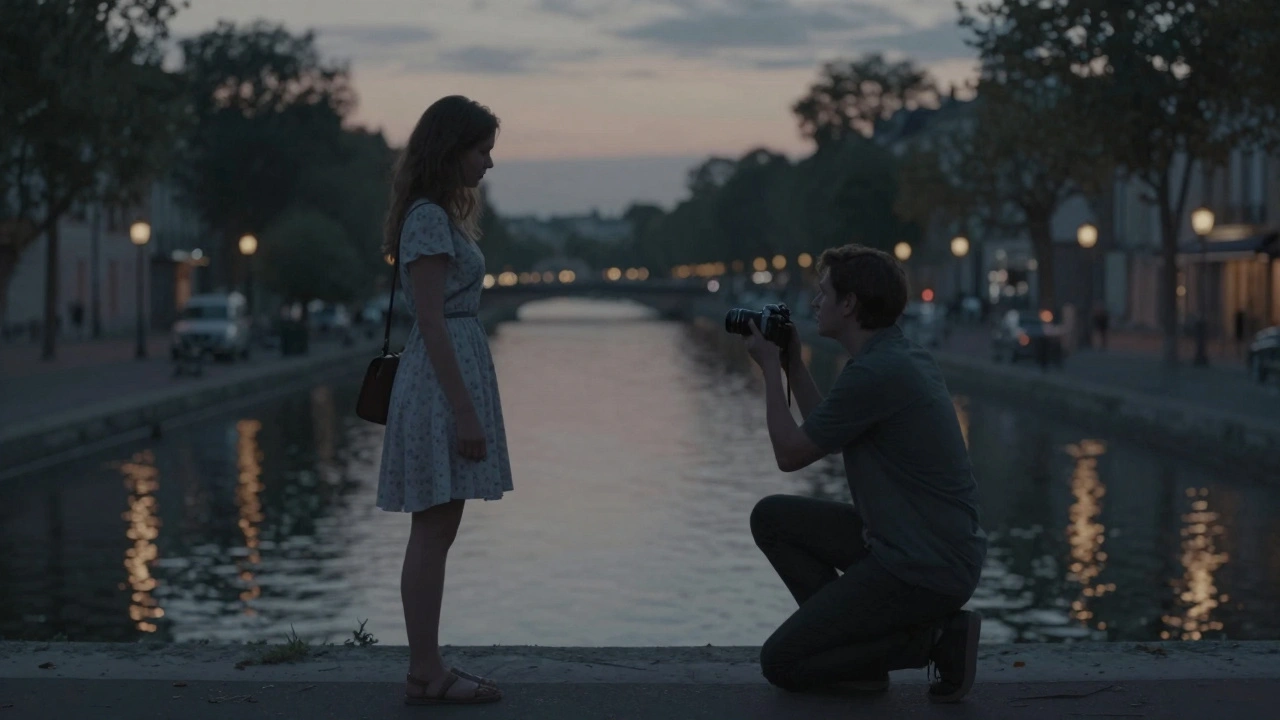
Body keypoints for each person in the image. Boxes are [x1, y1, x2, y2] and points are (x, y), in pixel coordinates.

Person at [743, 243, 987, 703]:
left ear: (850, 304)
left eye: (823, 292)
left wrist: (770, 370)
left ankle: (936, 642)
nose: (814, 302)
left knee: (781, 663)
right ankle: (859, 657)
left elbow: (791, 453)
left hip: (924, 565)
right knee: (772, 518)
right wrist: (794, 362)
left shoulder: (877, 373)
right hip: (915, 542)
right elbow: (825, 434)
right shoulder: (895, 358)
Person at [377, 95, 511, 706]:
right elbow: (430, 319)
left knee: (437, 529)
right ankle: (426, 672)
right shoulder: (429, 218)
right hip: (440, 385)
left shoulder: (436, 215)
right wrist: (464, 411)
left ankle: (426, 667)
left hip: (444, 377)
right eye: (481, 149)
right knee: (432, 530)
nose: (488, 162)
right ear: (451, 147)